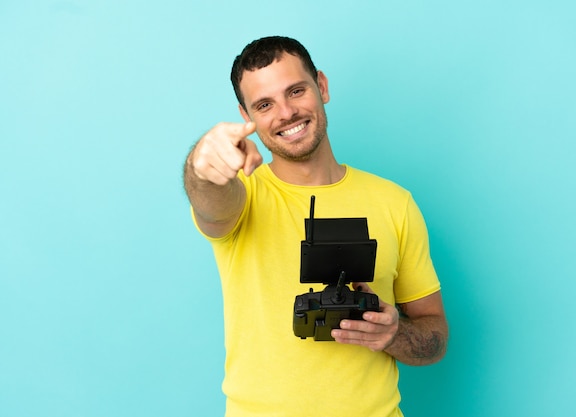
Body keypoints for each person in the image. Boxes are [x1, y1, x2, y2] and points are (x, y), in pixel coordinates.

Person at [183, 36, 448, 417]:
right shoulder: (241, 195)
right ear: (247, 118)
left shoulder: (395, 203)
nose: (286, 112)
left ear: (321, 86)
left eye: (296, 91)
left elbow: (434, 336)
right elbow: (209, 203)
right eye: (264, 104)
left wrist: (393, 334)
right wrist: (203, 166)